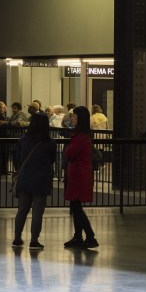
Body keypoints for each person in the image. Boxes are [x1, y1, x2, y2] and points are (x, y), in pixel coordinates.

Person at [12, 112, 57, 249]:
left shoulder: (23, 140)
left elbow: (17, 159)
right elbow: (52, 160)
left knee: (22, 210)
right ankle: (34, 240)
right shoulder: (50, 143)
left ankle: (17, 238)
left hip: (25, 178)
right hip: (41, 180)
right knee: (37, 212)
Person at [62, 106, 99, 249]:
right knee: (75, 206)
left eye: (74, 116)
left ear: (80, 119)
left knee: (76, 207)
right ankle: (78, 236)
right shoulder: (83, 136)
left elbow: (70, 154)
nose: (71, 118)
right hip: (79, 174)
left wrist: (67, 149)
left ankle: (90, 236)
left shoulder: (80, 137)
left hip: (78, 175)